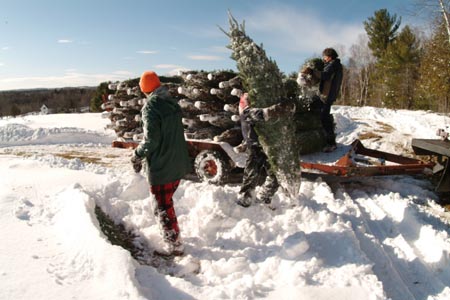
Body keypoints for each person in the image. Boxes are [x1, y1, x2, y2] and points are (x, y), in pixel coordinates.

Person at [131, 71, 191, 256]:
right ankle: (174, 240)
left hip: (162, 164)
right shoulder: (171, 103)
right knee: (167, 202)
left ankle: (174, 245)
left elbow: (151, 140)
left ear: (145, 89)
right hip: (178, 161)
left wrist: (137, 154)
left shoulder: (151, 107)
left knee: (162, 206)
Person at [236, 93, 295, 208]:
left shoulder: (257, 104)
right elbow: (261, 113)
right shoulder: (247, 107)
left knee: (275, 174)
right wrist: (279, 108)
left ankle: (264, 197)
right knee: (251, 175)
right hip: (254, 147)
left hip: (266, 146)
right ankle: (244, 200)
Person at [302, 47, 343, 152]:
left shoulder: (333, 65)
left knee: (325, 119)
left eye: (324, 57)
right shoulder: (335, 65)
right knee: (313, 105)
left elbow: (326, 76)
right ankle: (326, 139)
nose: (323, 59)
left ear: (329, 57)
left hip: (326, 96)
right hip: (326, 95)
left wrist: (312, 71)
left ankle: (331, 143)